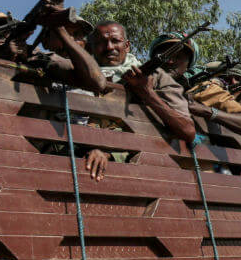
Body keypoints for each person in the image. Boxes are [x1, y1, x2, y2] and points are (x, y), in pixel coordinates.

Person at [82, 22, 195, 181]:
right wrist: (94, 146)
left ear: (127, 45)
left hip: (136, 162)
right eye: (101, 42)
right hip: (81, 151)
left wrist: (146, 92)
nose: (109, 47)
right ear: (90, 48)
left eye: (115, 41)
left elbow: (187, 131)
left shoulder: (157, 77)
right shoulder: (78, 74)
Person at [185, 60, 241, 138]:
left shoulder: (211, 88)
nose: (234, 82)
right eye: (228, 79)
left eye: (238, 79)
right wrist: (210, 112)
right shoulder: (213, 88)